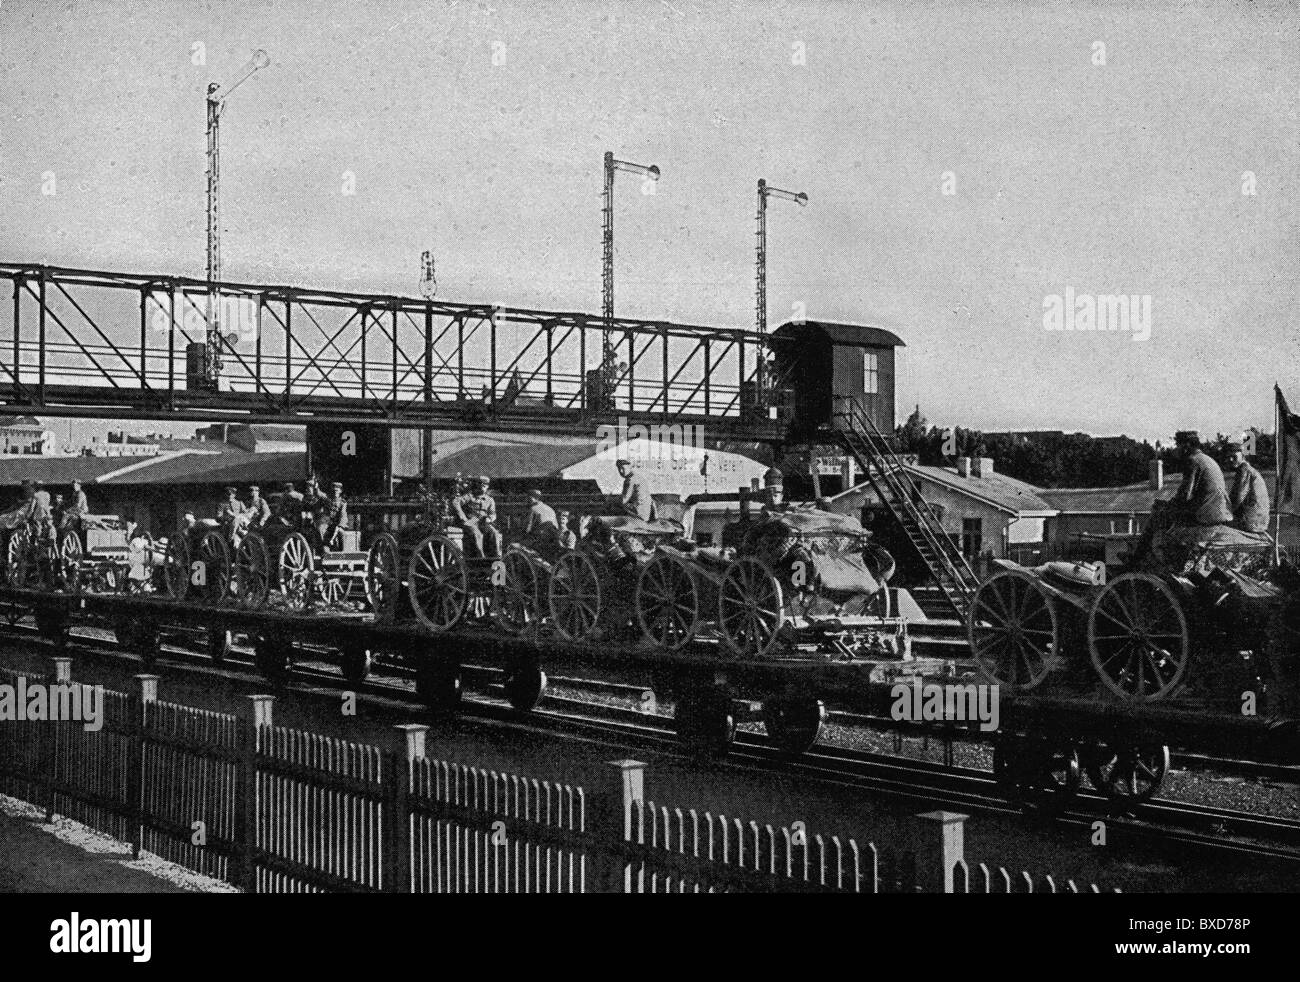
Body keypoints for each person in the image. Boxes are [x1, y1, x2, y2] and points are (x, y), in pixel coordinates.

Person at [1168, 431, 1233, 527]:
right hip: (1219, 510)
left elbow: (1184, 495)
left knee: (1160, 515)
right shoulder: (1207, 459)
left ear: (1186, 446)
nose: (1176, 449)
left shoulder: (1192, 461)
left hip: (1206, 514)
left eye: (1178, 445)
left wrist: (1168, 504)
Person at [452, 475, 502, 558]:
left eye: (484, 486)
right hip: (470, 522)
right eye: (481, 485)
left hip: (483, 523)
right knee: (477, 534)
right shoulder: (470, 496)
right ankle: (480, 558)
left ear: (487, 487)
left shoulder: (489, 500)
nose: (482, 488)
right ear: (477, 486)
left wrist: (489, 519)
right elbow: (456, 502)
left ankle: (495, 557)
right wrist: (463, 517)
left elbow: (493, 514)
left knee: (494, 533)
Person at [1227, 441, 1271, 534]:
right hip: (1258, 519)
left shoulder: (1244, 469)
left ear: (1242, 455)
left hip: (1254, 521)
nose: (1231, 459)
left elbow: (1239, 497)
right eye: (1228, 457)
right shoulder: (1246, 469)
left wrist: (1226, 513)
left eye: (1234, 456)